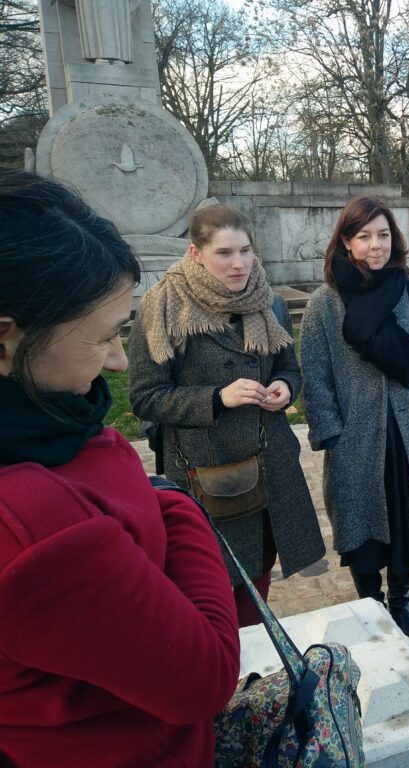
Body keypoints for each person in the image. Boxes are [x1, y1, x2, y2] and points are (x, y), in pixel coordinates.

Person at [0, 169, 240, 765]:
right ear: (6, 338)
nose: (113, 360)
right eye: (104, 337)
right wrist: (177, 504)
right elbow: (204, 678)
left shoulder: (46, 420)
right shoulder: (28, 520)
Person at [129, 204, 324, 628]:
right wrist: (218, 397)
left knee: (258, 582)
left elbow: (290, 367)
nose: (238, 264)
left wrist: (286, 388)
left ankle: (253, 663)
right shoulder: (162, 309)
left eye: (245, 250)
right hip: (207, 478)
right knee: (214, 593)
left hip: (269, 468)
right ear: (196, 253)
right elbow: (145, 398)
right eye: (223, 253)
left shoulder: (267, 302)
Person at [300, 196, 409, 647]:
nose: (377, 245)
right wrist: (331, 432)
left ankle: (401, 601)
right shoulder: (324, 305)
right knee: (362, 529)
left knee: (407, 526)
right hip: (356, 437)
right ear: (347, 243)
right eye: (365, 236)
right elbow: (314, 376)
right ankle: (370, 603)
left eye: (385, 234)